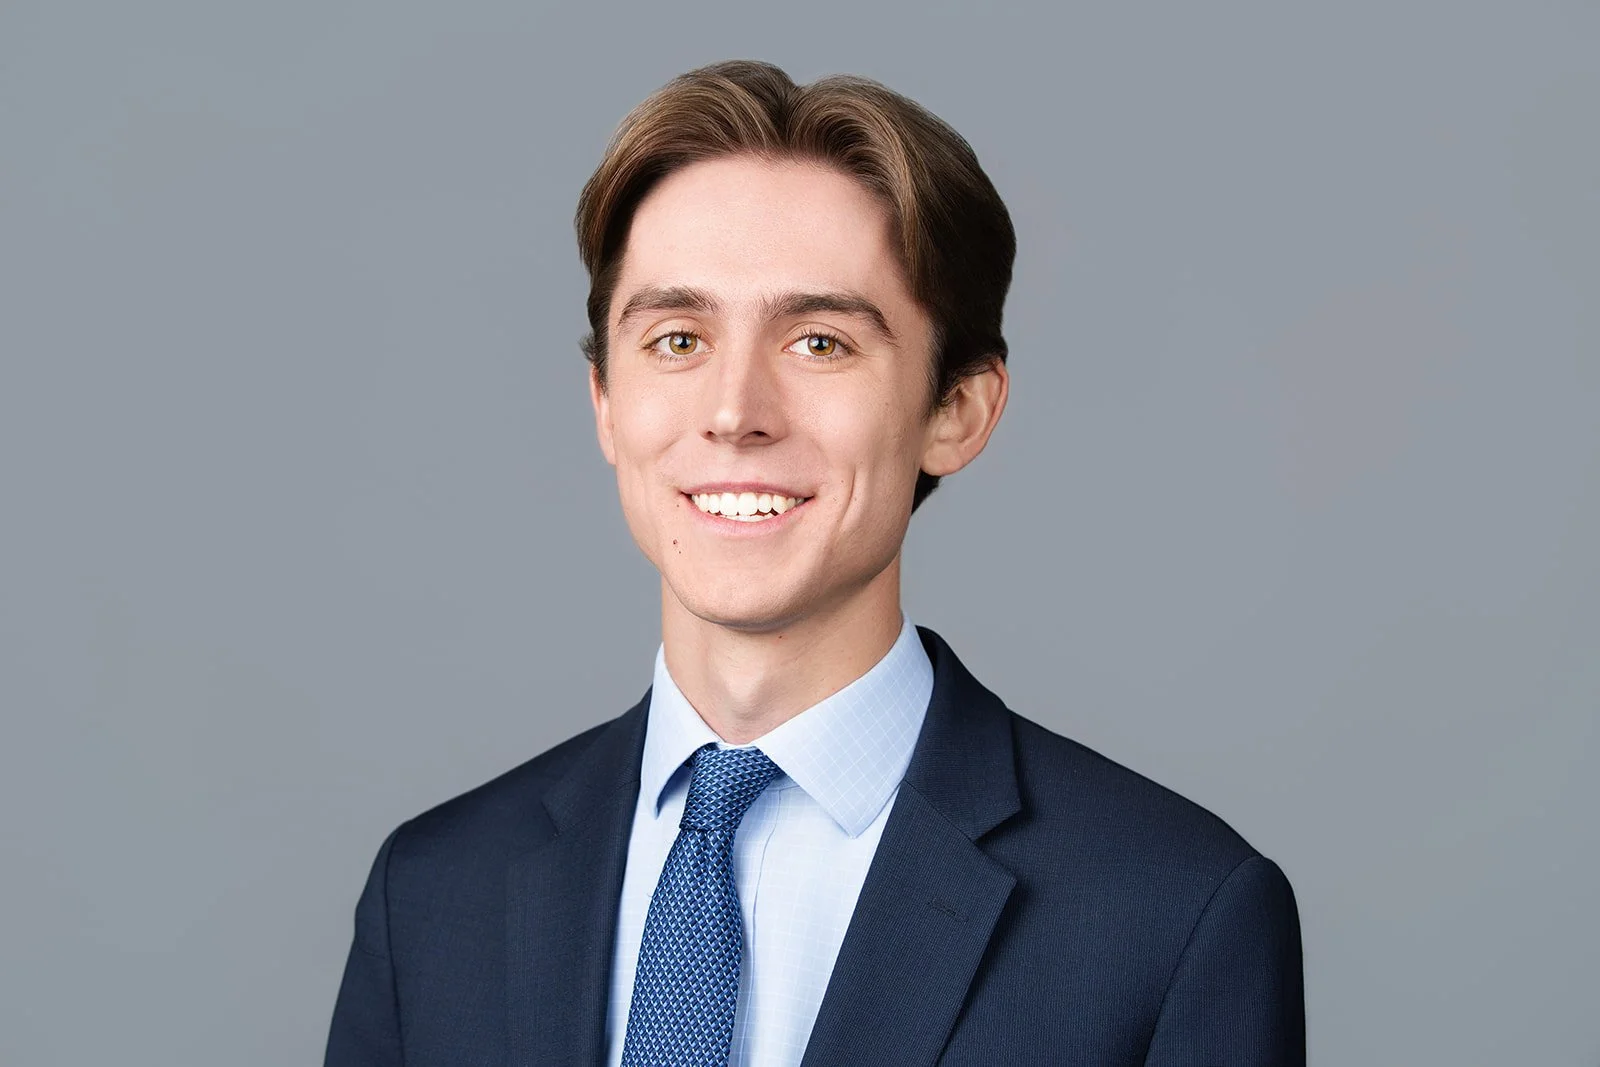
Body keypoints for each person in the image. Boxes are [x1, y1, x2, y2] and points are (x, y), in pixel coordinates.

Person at [324, 59, 1305, 1067]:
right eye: (675, 337)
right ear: (606, 402)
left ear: (956, 409)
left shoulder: (1173, 915)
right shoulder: (434, 894)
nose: (734, 409)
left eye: (821, 342)